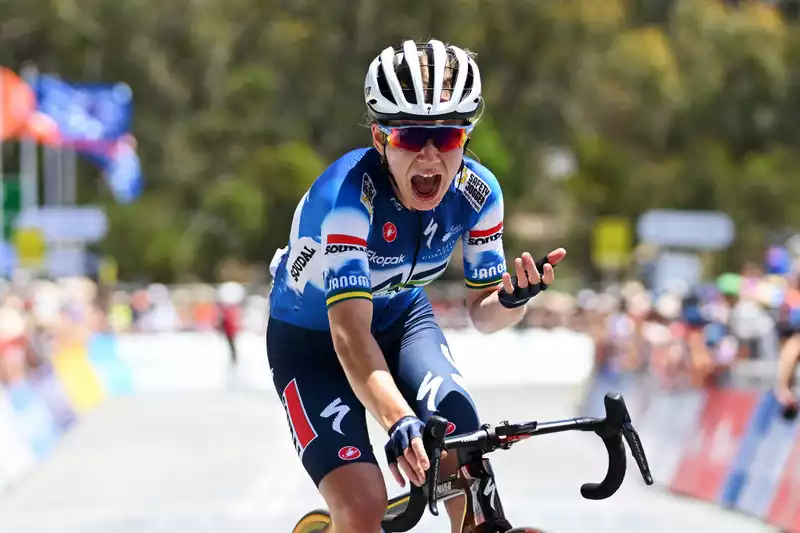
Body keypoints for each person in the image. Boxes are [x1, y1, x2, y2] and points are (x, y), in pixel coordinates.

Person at [266, 39, 566, 533]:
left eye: (446, 137)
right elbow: (348, 335)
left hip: (404, 322)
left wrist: (513, 299)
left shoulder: (478, 193)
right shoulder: (345, 199)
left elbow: (484, 312)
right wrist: (397, 419)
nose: (429, 156)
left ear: (466, 137)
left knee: (466, 467)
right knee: (363, 506)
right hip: (315, 343)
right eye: (410, 137)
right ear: (381, 137)